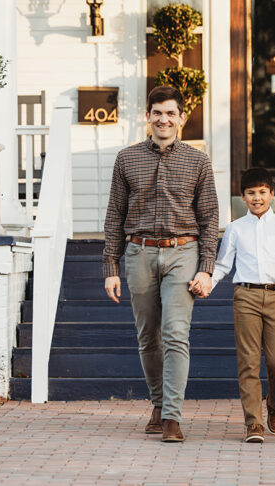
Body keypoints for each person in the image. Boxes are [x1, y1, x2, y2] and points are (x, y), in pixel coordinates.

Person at [102, 85, 219, 443]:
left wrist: (206, 266)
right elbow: (114, 215)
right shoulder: (126, 159)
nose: (164, 119)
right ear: (147, 116)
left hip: (183, 251)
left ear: (182, 118)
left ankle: (171, 416)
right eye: (157, 112)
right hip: (139, 252)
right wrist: (110, 267)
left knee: (174, 334)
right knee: (147, 336)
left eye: (171, 113)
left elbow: (210, 217)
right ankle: (157, 403)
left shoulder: (198, 161)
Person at [211, 168, 275, 443]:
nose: (257, 198)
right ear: (243, 196)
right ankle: (253, 423)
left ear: (272, 194)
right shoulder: (235, 229)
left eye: (262, 192)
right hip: (246, 297)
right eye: (251, 193)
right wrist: (208, 283)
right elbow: (222, 264)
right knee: (249, 362)